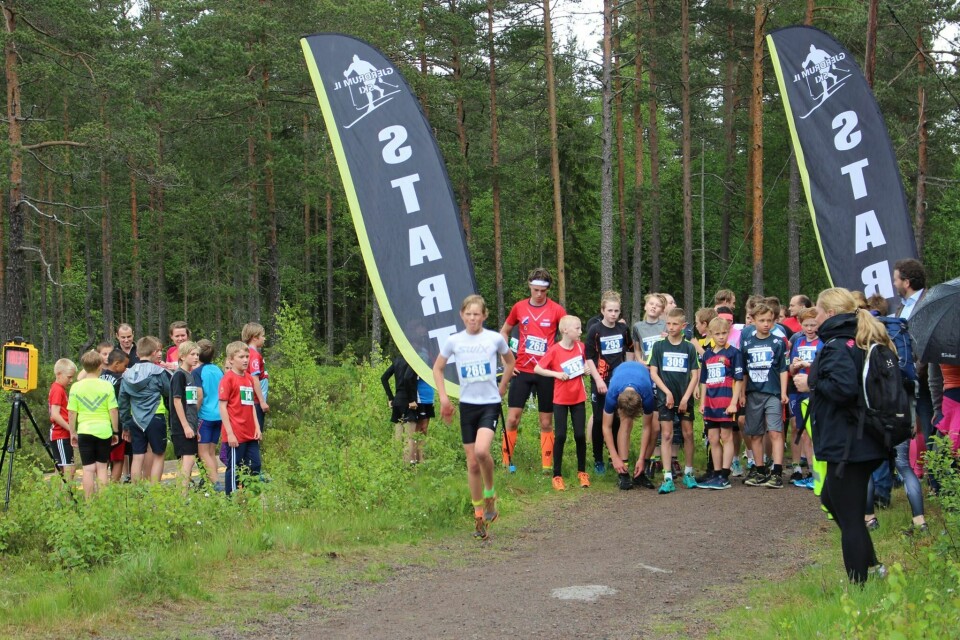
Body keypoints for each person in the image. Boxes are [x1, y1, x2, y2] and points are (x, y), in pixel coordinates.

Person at [795, 287, 891, 584]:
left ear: (831, 314)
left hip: (848, 443)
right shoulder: (858, 339)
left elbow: (843, 389)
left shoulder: (837, 344)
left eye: (820, 312)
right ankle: (872, 565)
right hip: (862, 439)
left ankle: (859, 586)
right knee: (832, 499)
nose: (817, 317)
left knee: (850, 518)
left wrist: (810, 381)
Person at [433, 295, 515, 541]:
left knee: (481, 452)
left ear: (484, 315)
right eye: (468, 314)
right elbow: (437, 368)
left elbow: (510, 362)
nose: (472, 318)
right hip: (467, 406)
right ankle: (479, 514)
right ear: (462, 315)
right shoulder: (453, 341)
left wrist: (503, 386)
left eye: (477, 314)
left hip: (489, 404)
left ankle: (490, 495)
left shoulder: (494, 339)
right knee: (471, 463)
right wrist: (445, 399)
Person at [499, 268, 565, 473]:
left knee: (546, 421)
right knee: (512, 418)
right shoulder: (519, 307)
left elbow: (568, 337)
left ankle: (547, 465)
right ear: (529, 286)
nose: (538, 294)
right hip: (522, 370)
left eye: (542, 291)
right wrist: (507, 359)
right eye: (535, 290)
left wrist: (558, 359)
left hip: (545, 372)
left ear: (547, 290)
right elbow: (504, 331)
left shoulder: (557, 310)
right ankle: (506, 461)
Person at [648, 308, 700, 493]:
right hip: (665, 398)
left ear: (683, 326)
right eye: (668, 323)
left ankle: (688, 473)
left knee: (687, 434)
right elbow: (653, 372)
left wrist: (686, 397)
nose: (671, 327)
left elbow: (695, 374)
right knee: (667, 435)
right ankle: (667, 476)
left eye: (675, 324)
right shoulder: (659, 346)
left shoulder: (689, 347)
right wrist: (667, 393)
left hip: (684, 397)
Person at [535, 315, 589, 490]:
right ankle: (556, 475)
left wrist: (586, 370)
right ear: (565, 330)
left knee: (580, 435)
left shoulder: (581, 347)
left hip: (578, 398)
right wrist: (556, 374)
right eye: (577, 328)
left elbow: (585, 365)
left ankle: (582, 472)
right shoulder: (555, 350)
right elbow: (538, 368)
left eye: (581, 328)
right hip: (560, 399)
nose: (581, 332)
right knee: (561, 436)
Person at [584, 291, 634, 476]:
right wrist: (597, 379)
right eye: (610, 310)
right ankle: (598, 460)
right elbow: (588, 356)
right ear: (603, 310)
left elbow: (629, 349)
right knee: (599, 419)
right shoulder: (595, 330)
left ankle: (616, 457)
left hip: (619, 379)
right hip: (600, 379)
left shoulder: (623, 329)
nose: (613, 314)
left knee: (617, 418)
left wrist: (627, 370)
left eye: (616, 311)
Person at [741, 302, 789, 488]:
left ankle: (776, 471)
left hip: (773, 393)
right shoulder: (747, 343)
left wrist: (783, 392)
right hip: (753, 393)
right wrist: (742, 394)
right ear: (753, 321)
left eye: (770, 320)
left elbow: (783, 369)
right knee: (755, 433)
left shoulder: (777, 343)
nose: (766, 324)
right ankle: (759, 469)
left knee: (775, 431)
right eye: (762, 320)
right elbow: (743, 371)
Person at [697, 317, 743, 489]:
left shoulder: (734, 353)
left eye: (724, 333)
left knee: (726, 436)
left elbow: (738, 379)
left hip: (726, 401)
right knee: (712, 437)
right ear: (710, 334)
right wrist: (702, 402)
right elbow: (704, 381)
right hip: (710, 403)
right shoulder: (707, 355)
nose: (721, 337)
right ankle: (716, 473)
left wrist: (733, 402)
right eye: (717, 334)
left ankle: (725, 473)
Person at [68, 350, 120, 498]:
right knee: (102, 468)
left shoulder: (76, 387)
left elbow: (72, 413)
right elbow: (113, 410)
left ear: (84, 367)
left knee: (88, 469)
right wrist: (115, 431)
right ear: (100, 366)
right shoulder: (107, 386)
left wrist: (73, 432)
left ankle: (89, 504)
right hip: (104, 430)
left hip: (84, 430)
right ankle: (103, 504)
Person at [119, 336, 171, 483]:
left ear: (137, 353)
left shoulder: (127, 374)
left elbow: (123, 401)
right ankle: (154, 490)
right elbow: (168, 392)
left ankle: (137, 490)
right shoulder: (158, 371)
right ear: (154, 352)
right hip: (156, 416)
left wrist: (125, 424)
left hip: (135, 419)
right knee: (159, 454)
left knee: (137, 455)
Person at [600, 361, 657, 489]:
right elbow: (606, 427)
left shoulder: (647, 395)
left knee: (655, 428)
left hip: (642, 375)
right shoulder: (612, 394)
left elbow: (646, 427)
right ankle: (623, 472)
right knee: (625, 423)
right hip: (620, 371)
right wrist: (614, 457)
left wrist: (641, 458)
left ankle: (641, 470)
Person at [219, 341, 262, 496]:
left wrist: (257, 427)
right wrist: (229, 433)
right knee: (235, 467)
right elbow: (222, 407)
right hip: (235, 433)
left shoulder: (249, 379)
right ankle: (231, 500)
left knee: (255, 464)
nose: (245, 360)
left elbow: (251, 406)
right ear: (231, 359)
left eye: (247, 356)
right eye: (241, 357)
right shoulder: (228, 379)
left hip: (250, 432)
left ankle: (251, 496)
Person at [787, 308, 821, 487]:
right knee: (801, 430)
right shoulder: (798, 341)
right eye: (806, 325)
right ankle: (809, 470)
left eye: (813, 325)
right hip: (798, 390)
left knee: (814, 431)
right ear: (801, 325)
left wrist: (808, 364)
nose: (809, 328)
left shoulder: (822, 342)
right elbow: (791, 370)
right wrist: (795, 365)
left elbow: (821, 366)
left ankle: (818, 472)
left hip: (814, 390)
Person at [170, 341, 201, 495]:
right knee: (188, 459)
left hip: (191, 424)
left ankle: (181, 494)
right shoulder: (179, 375)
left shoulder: (190, 375)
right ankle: (183, 496)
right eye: (192, 354)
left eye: (197, 354)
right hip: (181, 426)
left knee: (187, 460)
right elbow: (177, 401)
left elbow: (191, 404)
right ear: (182, 356)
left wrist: (194, 426)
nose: (196, 358)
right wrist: (186, 426)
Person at [194, 339, 224, 491]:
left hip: (205, 416)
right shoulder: (218, 369)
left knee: (202, 452)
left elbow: (199, 395)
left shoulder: (197, 372)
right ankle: (211, 480)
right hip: (219, 415)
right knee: (211, 452)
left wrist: (193, 415)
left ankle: (216, 483)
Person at [381, 354, 419, 464]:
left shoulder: (397, 360)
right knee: (409, 436)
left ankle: (395, 463)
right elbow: (407, 377)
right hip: (408, 402)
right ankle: (406, 467)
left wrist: (391, 398)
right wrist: (412, 400)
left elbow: (384, 378)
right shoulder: (412, 360)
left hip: (397, 401)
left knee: (398, 436)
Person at [99, 349, 129, 482]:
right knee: (118, 458)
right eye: (125, 366)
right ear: (116, 364)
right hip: (117, 422)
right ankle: (114, 487)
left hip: (101, 422)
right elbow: (122, 402)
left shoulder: (99, 376)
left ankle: (102, 486)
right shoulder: (120, 379)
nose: (125, 369)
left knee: (102, 459)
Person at [48, 358, 78, 485]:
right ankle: (66, 500)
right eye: (69, 377)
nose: (71, 380)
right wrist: (71, 429)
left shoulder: (60, 389)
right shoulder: (57, 389)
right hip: (60, 434)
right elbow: (55, 414)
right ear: (59, 374)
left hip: (62, 434)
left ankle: (59, 501)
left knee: (61, 469)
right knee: (68, 469)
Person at [243, 322, 270, 433]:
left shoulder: (249, 353)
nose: (264, 338)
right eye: (262, 336)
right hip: (256, 401)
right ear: (255, 337)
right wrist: (262, 401)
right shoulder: (253, 355)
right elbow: (255, 379)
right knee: (256, 431)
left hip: (254, 400)